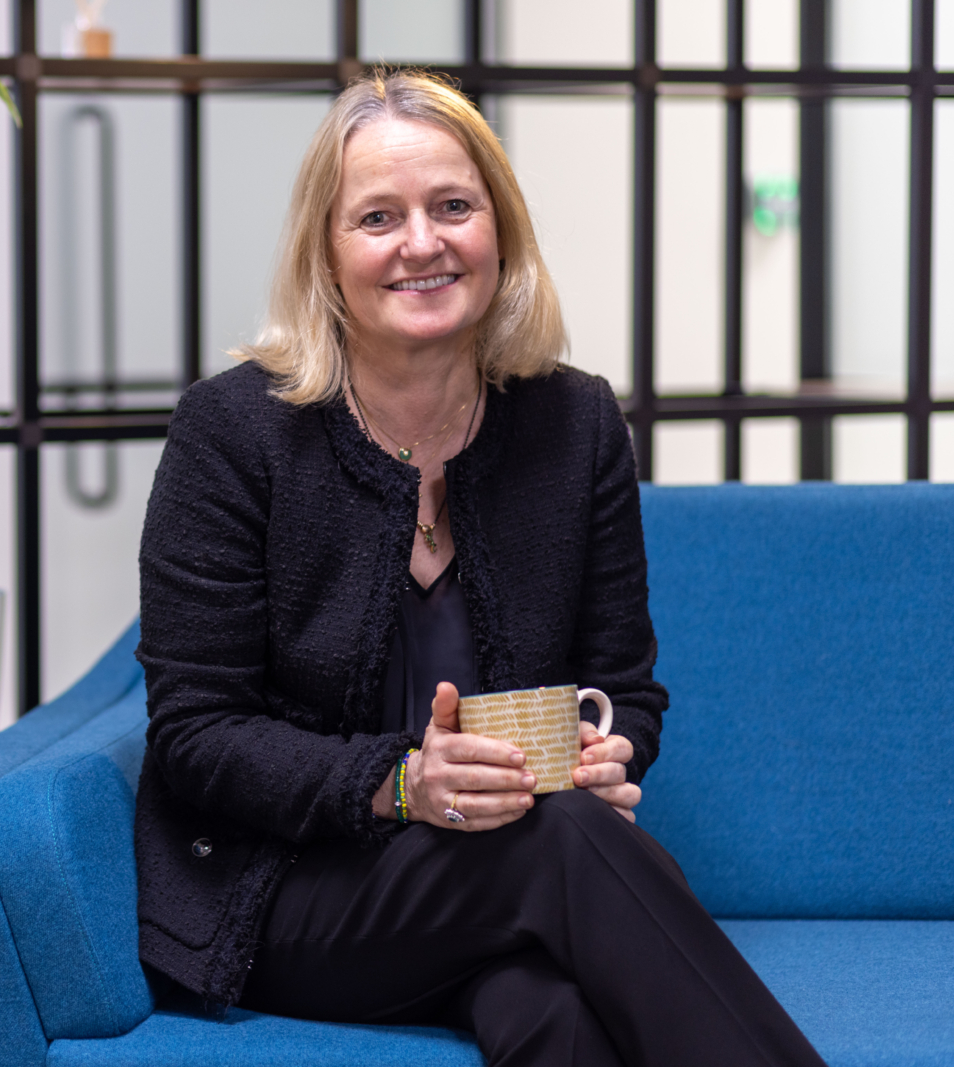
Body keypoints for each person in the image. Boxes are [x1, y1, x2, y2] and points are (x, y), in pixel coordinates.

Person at [132, 70, 826, 1067]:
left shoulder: (574, 421)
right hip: (289, 888)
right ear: (325, 256)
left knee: (547, 1013)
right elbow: (197, 735)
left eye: (452, 206)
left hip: (499, 885)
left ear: (497, 230)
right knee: (564, 846)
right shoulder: (232, 432)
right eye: (378, 216)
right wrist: (404, 782)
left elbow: (622, 684)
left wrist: (606, 749)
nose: (422, 242)